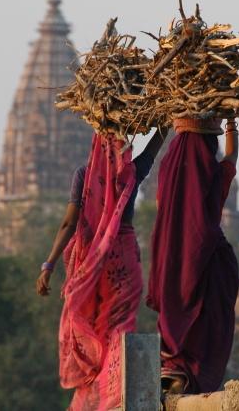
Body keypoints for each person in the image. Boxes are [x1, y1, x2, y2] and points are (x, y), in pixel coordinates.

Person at [36, 128, 168, 410]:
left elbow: (68, 224)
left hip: (93, 265)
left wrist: (49, 264)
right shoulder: (130, 171)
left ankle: (98, 401)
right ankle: (114, 399)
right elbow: (154, 148)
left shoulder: (84, 176)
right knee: (119, 331)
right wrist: (163, 123)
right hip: (125, 265)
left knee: (94, 330)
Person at [146, 117, 239, 395]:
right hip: (208, 256)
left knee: (177, 300)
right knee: (209, 313)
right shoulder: (211, 169)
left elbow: (163, 207)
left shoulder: (167, 168)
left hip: (172, 253)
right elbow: (232, 157)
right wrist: (232, 122)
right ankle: (190, 375)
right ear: (210, 145)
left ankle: (172, 367)